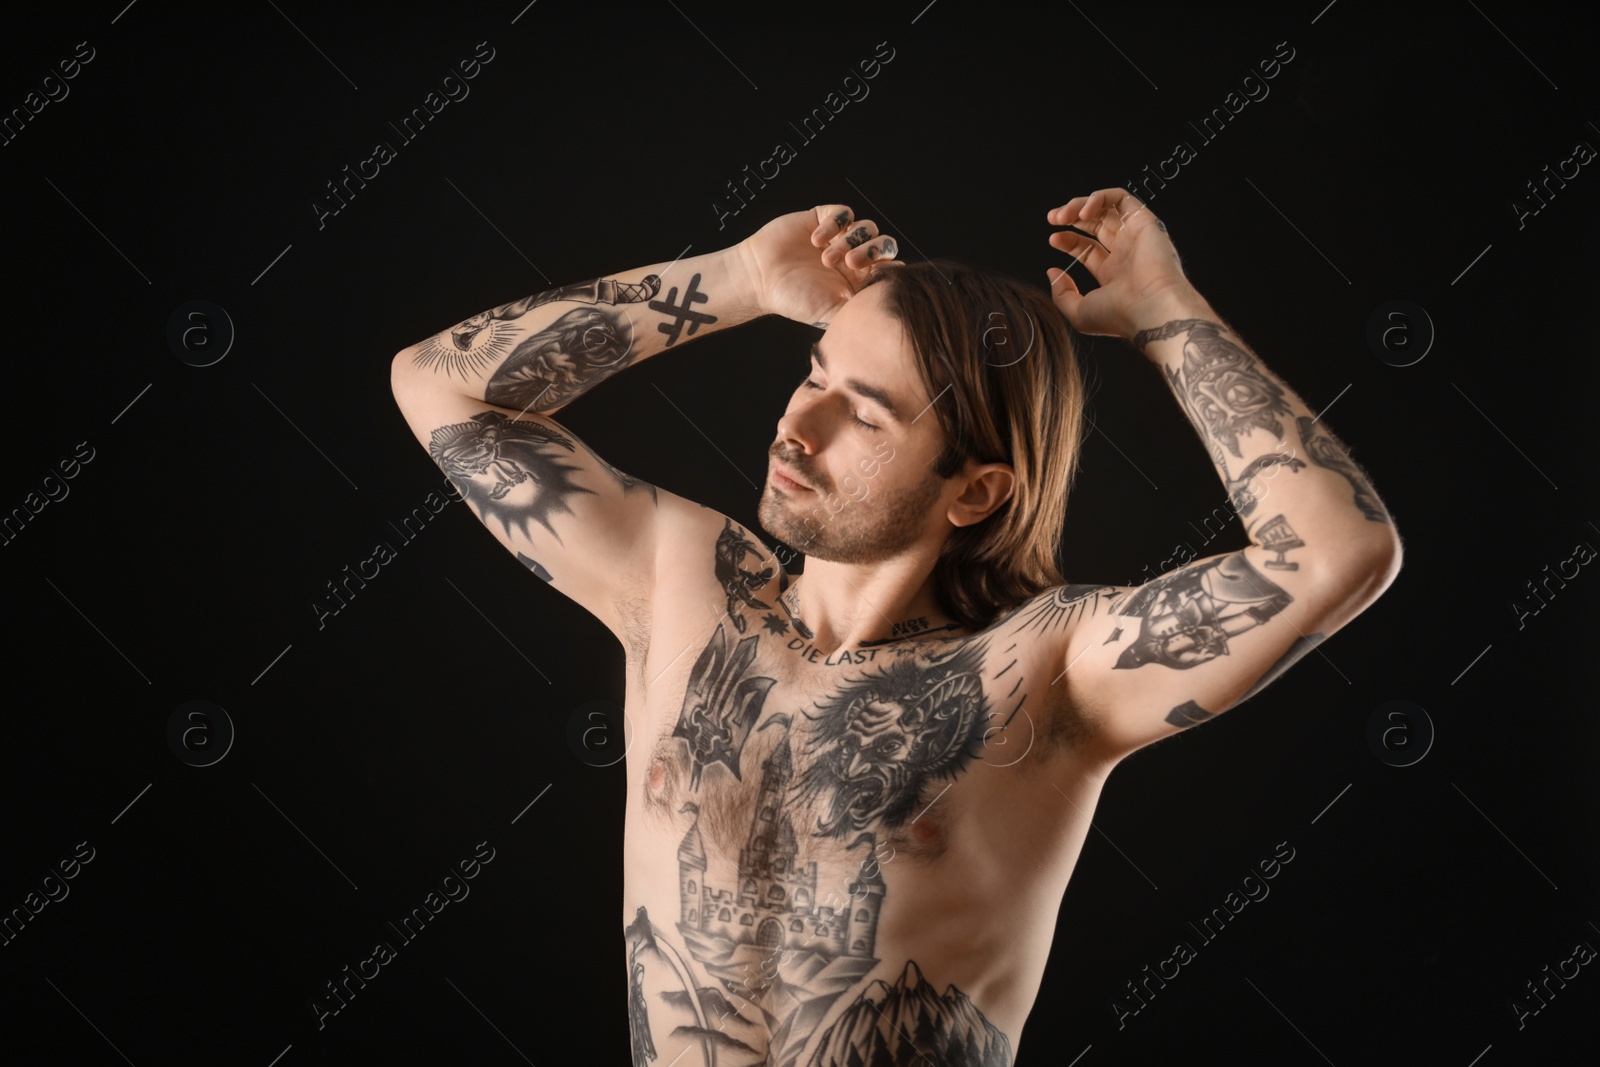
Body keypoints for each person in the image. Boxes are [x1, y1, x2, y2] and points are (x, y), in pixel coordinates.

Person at [390, 189, 1401, 1066]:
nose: (798, 426)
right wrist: (739, 277)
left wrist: (1164, 310)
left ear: (976, 490)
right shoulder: (683, 583)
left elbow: (1331, 555)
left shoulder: (1044, 668)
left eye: (864, 415)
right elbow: (441, 384)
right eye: (813, 374)